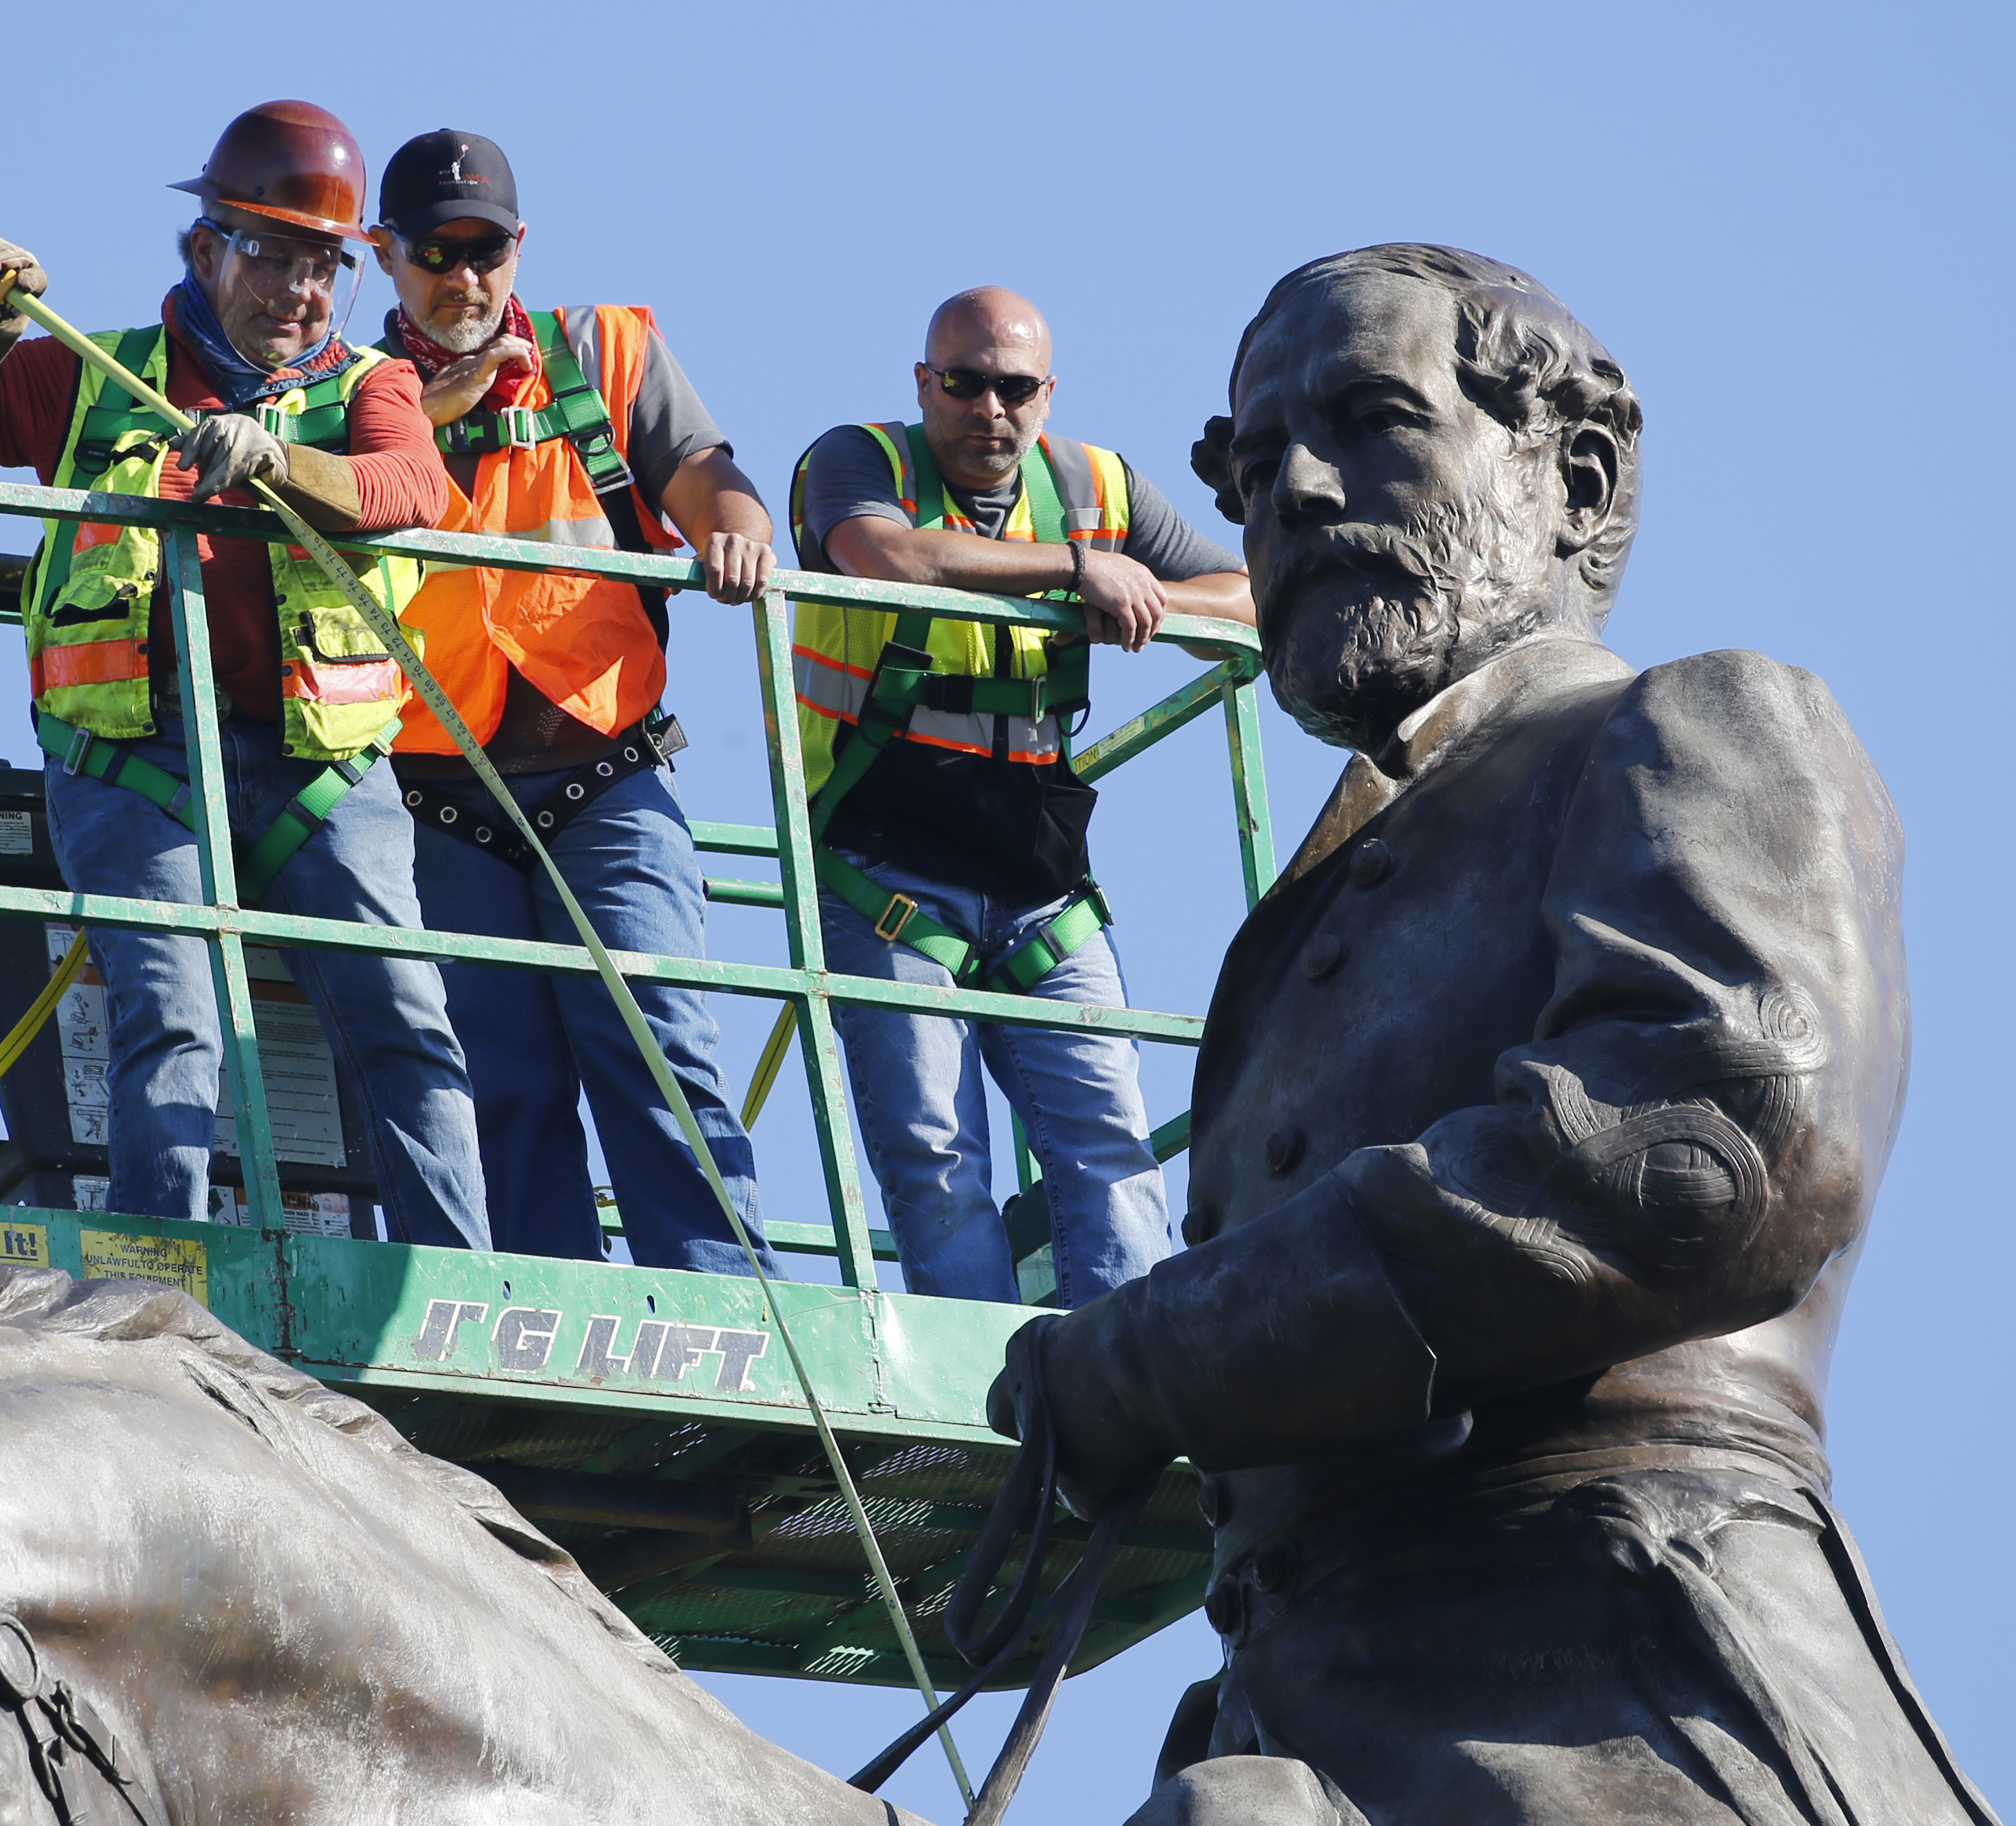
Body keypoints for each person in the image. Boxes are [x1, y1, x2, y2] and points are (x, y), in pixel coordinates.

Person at [997, 246, 1983, 1823]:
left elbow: (1722, 1143)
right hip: (1284, 1720)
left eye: (1368, 420)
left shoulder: (1685, 725)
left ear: (1573, 479)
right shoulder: (1316, 915)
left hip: (1612, 1686)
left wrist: (1156, 1353)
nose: (1293, 499)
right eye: (1251, 472)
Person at [0, 100, 491, 1248]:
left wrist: (279, 462)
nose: (298, 291)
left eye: (321, 268)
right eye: (271, 256)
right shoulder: (98, 378)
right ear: (207, 252)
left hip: (322, 773)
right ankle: (165, 1274)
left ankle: (461, 1286)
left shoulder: (368, 388)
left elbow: (409, 494)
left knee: (405, 1021)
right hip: (135, 762)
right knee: (173, 1019)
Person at [365, 128, 781, 1276]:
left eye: (485, 250)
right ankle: (535, 1323)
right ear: (383, 254)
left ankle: (729, 1310)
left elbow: (708, 479)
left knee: (657, 1044)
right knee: (495, 1084)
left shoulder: (604, 352)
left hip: (607, 780)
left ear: (519, 247)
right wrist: (427, 413)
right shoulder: (355, 398)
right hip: (440, 807)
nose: (465, 278)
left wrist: (737, 535)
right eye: (437, 253)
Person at [790, 289, 1255, 1307]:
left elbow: (1251, 596)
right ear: (924, 384)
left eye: (1011, 387)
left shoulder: (1097, 481)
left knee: (1110, 1140)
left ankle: (1121, 1373)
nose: (986, 408)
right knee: (935, 1153)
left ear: (1046, 394)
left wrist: (1144, 595)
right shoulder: (857, 459)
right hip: (885, 872)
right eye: (961, 383)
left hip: (1042, 881)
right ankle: (981, 1396)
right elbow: (887, 554)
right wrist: (1081, 569)